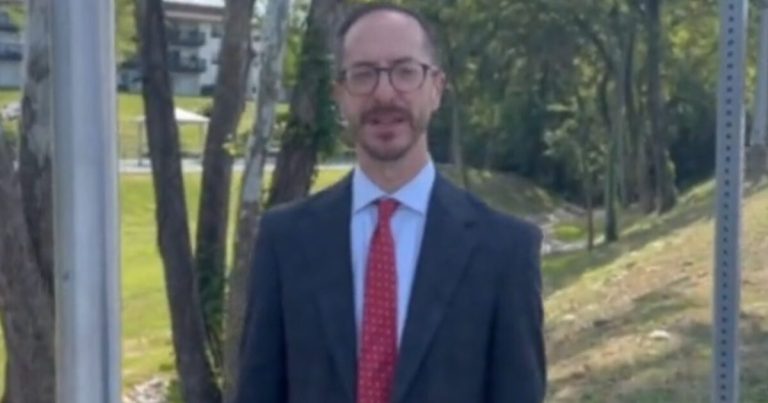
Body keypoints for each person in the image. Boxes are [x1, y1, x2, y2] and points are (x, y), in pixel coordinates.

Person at [231, 3, 546, 402]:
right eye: (363, 74)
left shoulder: (505, 251)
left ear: (436, 88)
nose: (384, 93)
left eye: (405, 71)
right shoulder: (285, 241)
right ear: (339, 94)